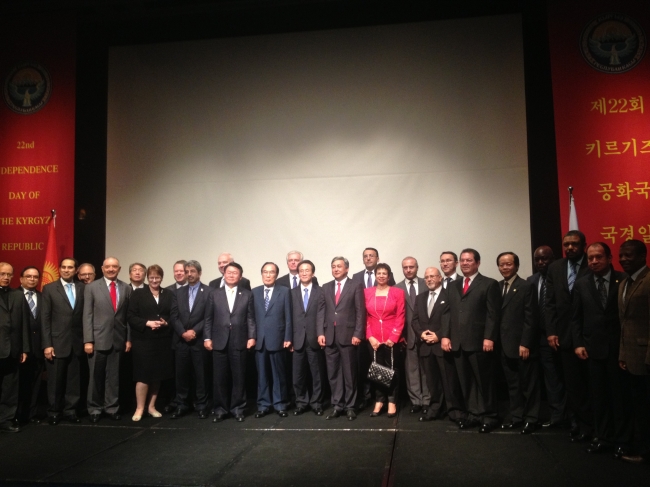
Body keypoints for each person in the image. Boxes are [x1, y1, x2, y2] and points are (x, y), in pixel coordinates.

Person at [571, 242, 632, 456]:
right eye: (590, 258)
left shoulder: (624, 280)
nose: (594, 261)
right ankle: (603, 438)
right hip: (592, 350)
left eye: (599, 257)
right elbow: (576, 317)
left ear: (609, 258)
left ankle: (622, 441)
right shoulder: (581, 283)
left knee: (620, 398)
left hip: (619, 351)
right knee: (598, 398)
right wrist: (578, 343)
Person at [441, 248, 501, 433]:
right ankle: (473, 414)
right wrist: (445, 335)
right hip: (458, 342)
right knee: (465, 382)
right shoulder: (453, 285)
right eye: (462, 260)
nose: (465, 263)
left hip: (479, 342)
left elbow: (493, 314)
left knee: (484, 382)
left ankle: (489, 416)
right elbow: (448, 313)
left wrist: (489, 337)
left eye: (469, 260)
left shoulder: (489, 284)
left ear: (478, 263)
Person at [546, 230, 592, 442]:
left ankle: (594, 425)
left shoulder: (592, 264)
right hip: (563, 335)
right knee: (572, 385)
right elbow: (550, 303)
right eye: (566, 244)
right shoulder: (555, 267)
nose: (570, 248)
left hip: (589, 335)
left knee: (591, 385)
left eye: (574, 244)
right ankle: (578, 424)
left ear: (584, 244)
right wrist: (552, 331)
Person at [412, 267, 465, 423]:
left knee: (449, 381)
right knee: (432, 382)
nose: (429, 279)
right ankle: (435, 409)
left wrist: (440, 335)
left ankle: (454, 411)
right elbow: (414, 320)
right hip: (426, 347)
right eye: (427, 277)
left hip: (443, 345)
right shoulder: (420, 297)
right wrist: (422, 334)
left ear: (440, 278)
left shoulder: (449, 296)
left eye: (432, 276)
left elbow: (453, 319)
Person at [204, 262, 255, 422]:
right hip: (219, 340)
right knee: (219, 377)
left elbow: (250, 318)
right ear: (224, 274)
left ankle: (238, 408)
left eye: (235, 273)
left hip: (240, 340)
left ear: (240, 277)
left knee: (239, 377)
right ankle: (220, 409)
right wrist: (207, 337)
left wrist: (252, 336)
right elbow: (208, 318)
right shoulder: (214, 294)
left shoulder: (247, 294)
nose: (232, 275)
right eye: (229, 272)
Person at [83, 257, 131, 423]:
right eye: (108, 267)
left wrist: (128, 339)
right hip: (97, 340)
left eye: (114, 267)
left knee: (114, 378)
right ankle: (94, 408)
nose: (111, 269)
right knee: (95, 377)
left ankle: (112, 408)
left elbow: (127, 317)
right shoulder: (91, 287)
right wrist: (88, 340)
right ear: (102, 268)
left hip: (118, 339)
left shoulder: (126, 288)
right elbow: (87, 315)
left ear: (119, 268)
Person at [496, 252, 540, 435]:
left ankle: (531, 419)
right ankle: (517, 417)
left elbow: (531, 317)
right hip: (504, 346)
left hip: (522, 345)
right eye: (501, 264)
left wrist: (526, 343)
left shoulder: (526, 286)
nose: (505, 267)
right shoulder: (496, 287)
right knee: (513, 385)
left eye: (509, 264)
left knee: (529, 385)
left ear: (516, 266)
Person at [127, 264, 175, 421]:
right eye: (152, 277)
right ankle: (140, 408)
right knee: (143, 375)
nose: (155, 280)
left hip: (162, 340)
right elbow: (131, 316)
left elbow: (172, 314)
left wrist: (166, 322)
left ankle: (152, 406)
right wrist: (147, 323)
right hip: (143, 340)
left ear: (162, 278)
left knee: (157, 375)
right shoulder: (138, 294)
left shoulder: (168, 293)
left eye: (158, 277)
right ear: (148, 278)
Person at [617, 239, 650, 463]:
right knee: (638, 407)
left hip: (646, 357)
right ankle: (642, 448)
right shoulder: (624, 283)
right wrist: (622, 354)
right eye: (621, 255)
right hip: (630, 357)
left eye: (629, 255)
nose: (623, 259)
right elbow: (624, 323)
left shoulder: (648, 280)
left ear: (642, 256)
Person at [321, 256, 366, 421]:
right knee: (333, 374)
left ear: (346, 269)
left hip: (348, 337)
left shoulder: (355, 285)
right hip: (329, 337)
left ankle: (350, 406)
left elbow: (360, 311)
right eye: (333, 266)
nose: (336, 269)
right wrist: (321, 333)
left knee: (349, 373)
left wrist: (357, 333)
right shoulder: (325, 287)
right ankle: (337, 405)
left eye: (339, 266)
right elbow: (321, 312)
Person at [527, 246, 567, 428]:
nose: (541, 262)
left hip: (560, 335)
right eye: (537, 260)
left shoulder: (561, 278)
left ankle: (566, 415)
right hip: (538, 338)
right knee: (547, 379)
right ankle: (555, 415)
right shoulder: (531, 281)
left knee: (560, 378)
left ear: (553, 259)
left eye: (545, 259)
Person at [41, 258, 85, 425]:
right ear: (59, 269)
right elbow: (45, 319)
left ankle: (70, 410)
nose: (67, 270)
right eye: (64, 267)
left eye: (70, 267)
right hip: (57, 342)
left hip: (77, 342)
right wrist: (47, 344)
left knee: (74, 380)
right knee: (55, 381)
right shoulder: (49, 289)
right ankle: (54, 411)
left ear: (75, 270)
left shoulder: (82, 288)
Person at [170, 260, 212, 419]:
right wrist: (183, 332)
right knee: (181, 375)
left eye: (192, 271)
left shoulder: (208, 292)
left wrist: (194, 331)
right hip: (181, 341)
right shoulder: (178, 293)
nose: (189, 274)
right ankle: (181, 405)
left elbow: (209, 316)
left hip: (199, 340)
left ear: (199, 273)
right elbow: (173, 316)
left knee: (201, 375)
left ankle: (201, 405)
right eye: (186, 271)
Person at [352, 248, 393, 410]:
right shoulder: (355, 277)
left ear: (377, 258)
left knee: (382, 366)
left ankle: (384, 398)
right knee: (364, 366)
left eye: (371, 256)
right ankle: (366, 397)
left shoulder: (387, 277)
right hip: (362, 331)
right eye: (365, 256)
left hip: (384, 333)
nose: (368, 258)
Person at [251, 262, 292, 417]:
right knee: (262, 375)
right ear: (261, 274)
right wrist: (252, 337)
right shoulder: (254, 292)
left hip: (278, 339)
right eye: (265, 272)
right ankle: (263, 405)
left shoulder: (284, 291)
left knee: (278, 374)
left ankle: (280, 404)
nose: (268, 275)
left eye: (271, 272)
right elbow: (251, 318)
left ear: (276, 275)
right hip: (259, 340)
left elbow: (288, 316)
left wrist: (288, 336)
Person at [365, 263, 405, 418]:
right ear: (375, 275)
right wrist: (370, 337)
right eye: (378, 273)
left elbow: (401, 315)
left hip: (392, 337)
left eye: (384, 273)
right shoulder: (367, 292)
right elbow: (365, 317)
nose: (381, 275)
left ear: (389, 276)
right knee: (377, 371)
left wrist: (393, 337)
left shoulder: (397, 292)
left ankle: (392, 400)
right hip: (374, 337)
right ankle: (379, 400)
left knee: (392, 370)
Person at [290, 260, 326, 416]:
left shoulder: (321, 292)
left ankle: (317, 402)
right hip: (297, 339)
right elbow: (288, 318)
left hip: (314, 338)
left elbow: (322, 315)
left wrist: (320, 334)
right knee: (298, 374)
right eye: (301, 271)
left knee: (317, 373)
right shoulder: (291, 293)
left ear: (313, 273)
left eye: (307, 270)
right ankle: (301, 402)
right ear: (298, 273)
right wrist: (289, 338)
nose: (304, 273)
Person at [395, 256, 429, 414]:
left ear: (417, 267)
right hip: (407, 336)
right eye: (405, 267)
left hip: (427, 334)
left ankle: (428, 400)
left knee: (427, 370)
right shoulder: (397, 288)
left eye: (411, 267)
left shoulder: (427, 283)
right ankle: (416, 400)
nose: (408, 270)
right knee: (411, 370)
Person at [0, 263, 29, 433]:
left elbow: (24, 323)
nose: (6, 277)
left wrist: (24, 348)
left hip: (13, 349)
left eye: (9, 274)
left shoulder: (18, 296)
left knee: (10, 388)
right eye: (3, 274)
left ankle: (6, 419)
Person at [16, 266, 44, 425]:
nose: (32, 279)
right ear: (21, 279)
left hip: (39, 347)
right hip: (20, 349)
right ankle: (16, 414)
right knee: (19, 383)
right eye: (28, 276)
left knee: (36, 383)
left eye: (35, 277)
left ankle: (31, 413)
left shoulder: (42, 296)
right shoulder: (13, 295)